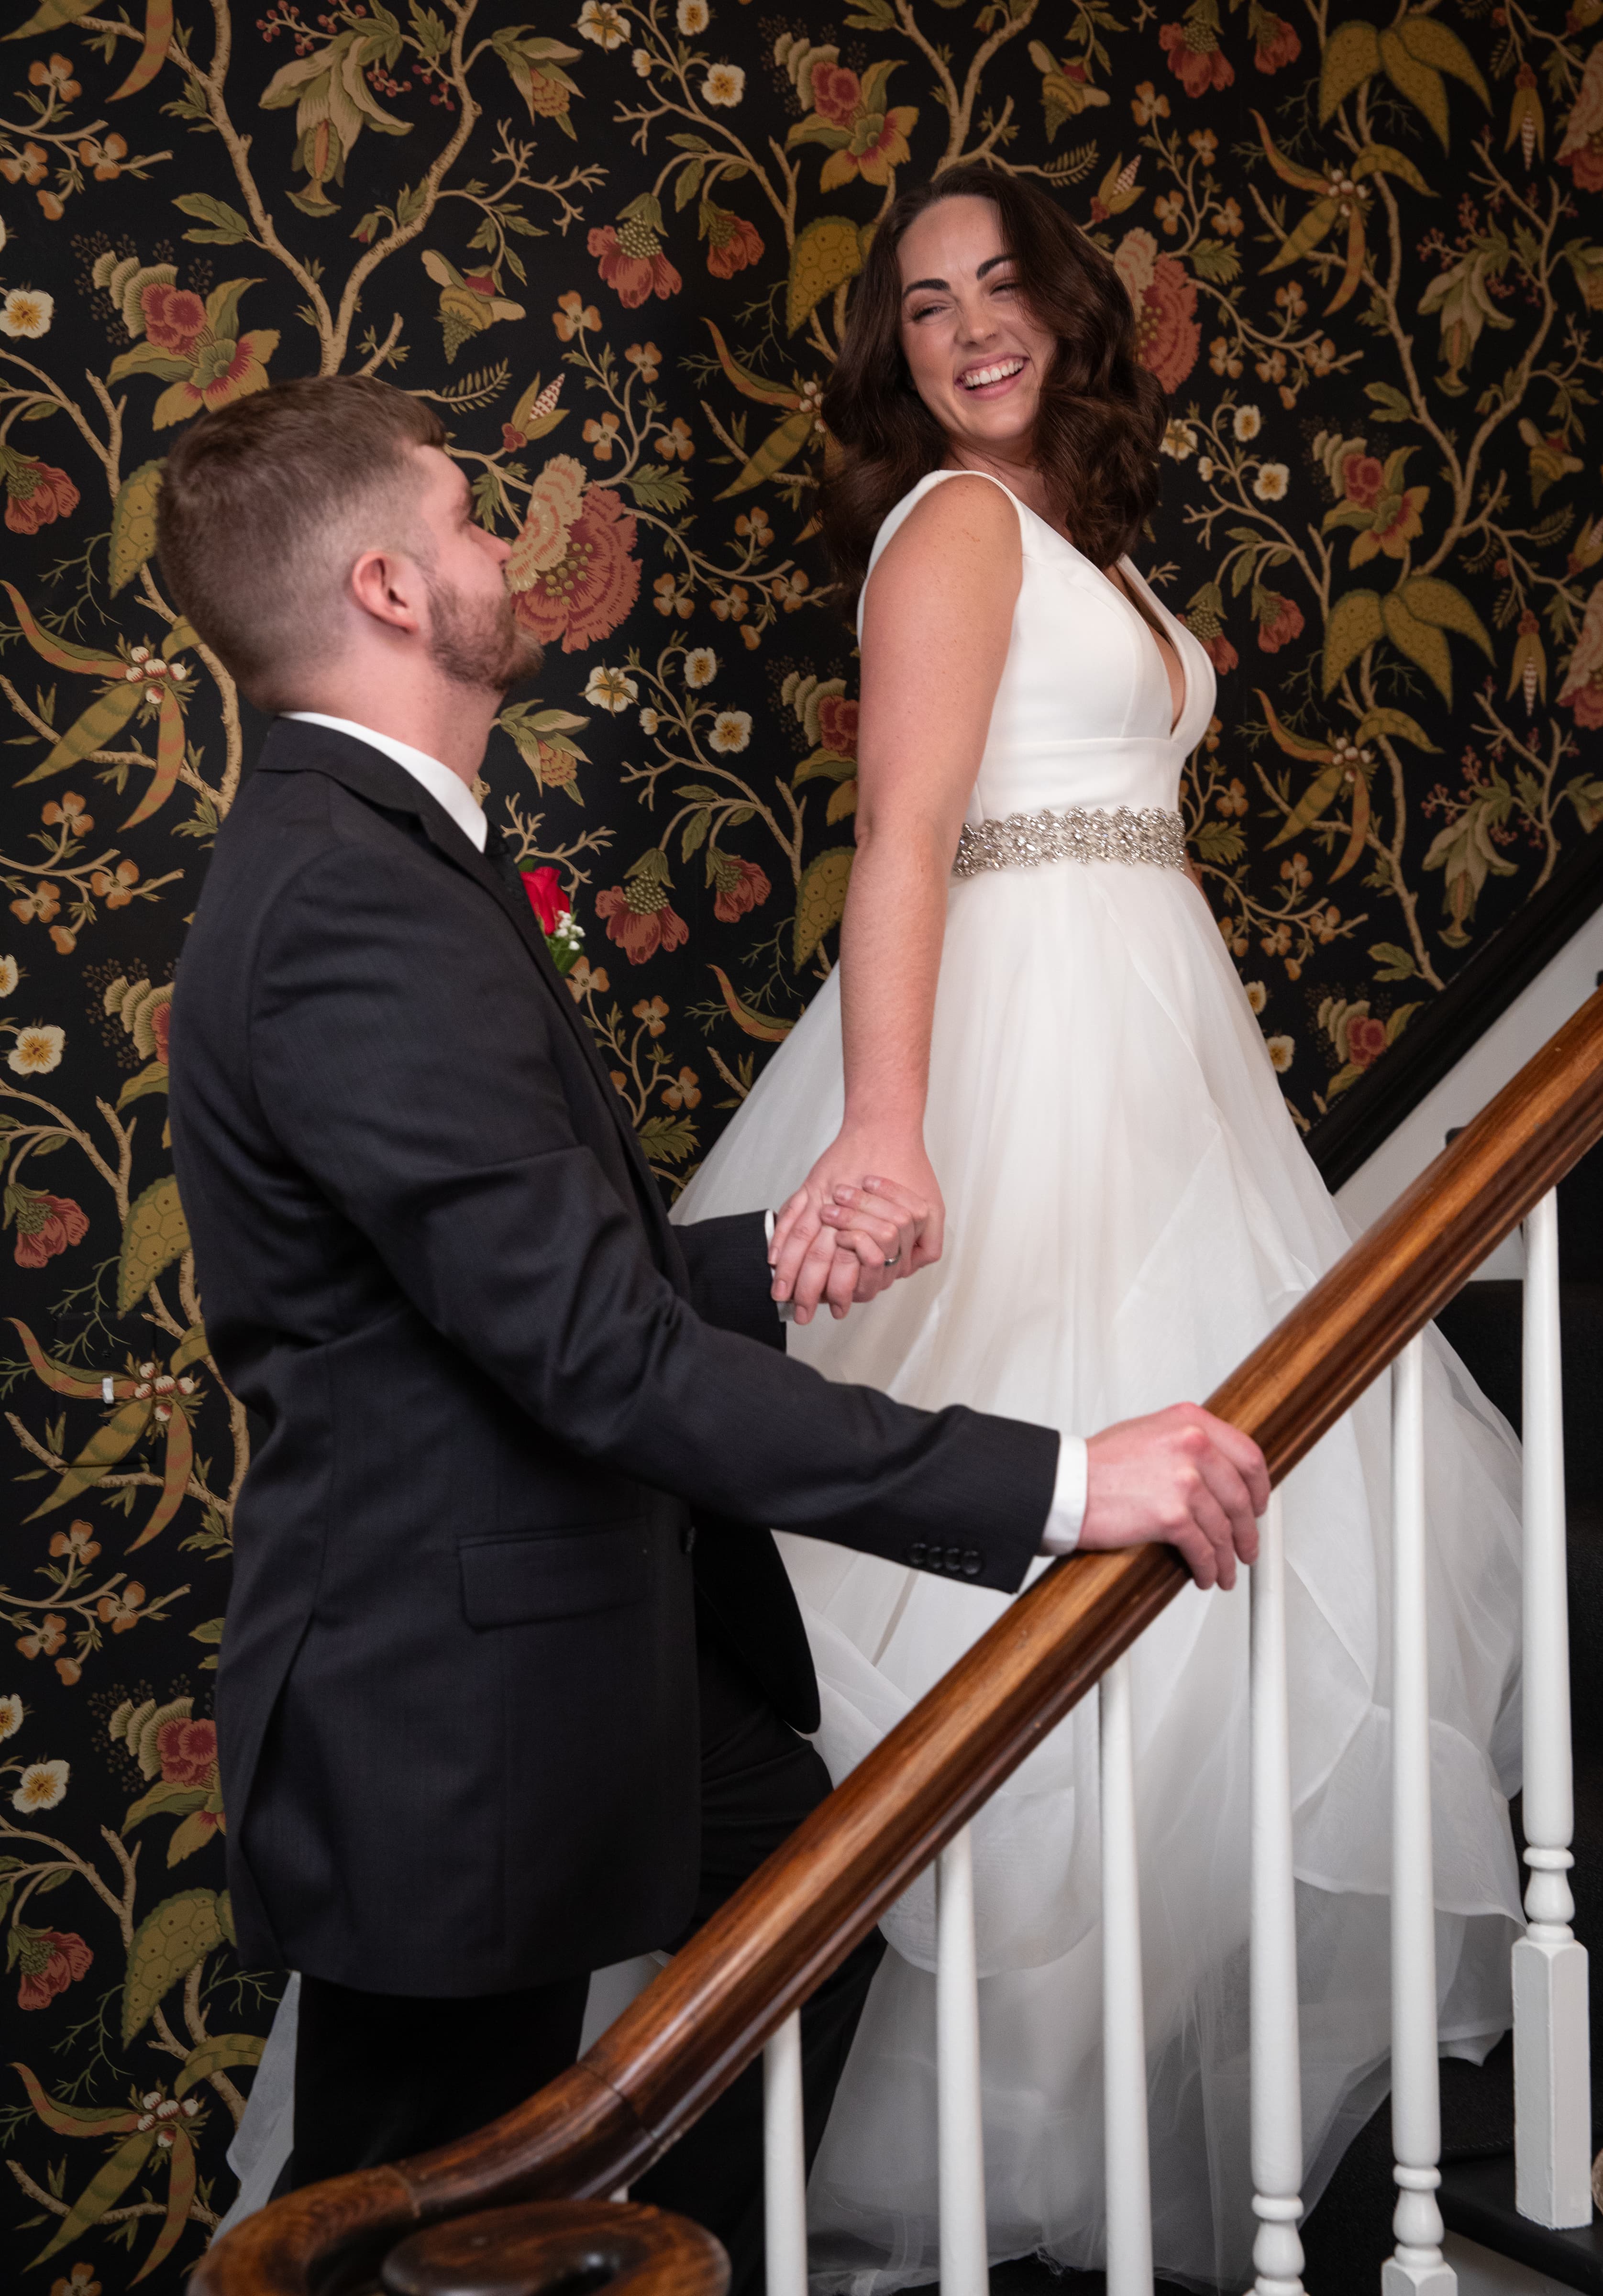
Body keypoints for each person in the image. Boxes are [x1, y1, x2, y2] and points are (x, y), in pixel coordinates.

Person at [158, 374, 1268, 2286]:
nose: (508, 548)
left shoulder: (383, 859)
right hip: (455, 1713)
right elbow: (596, 1365)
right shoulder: (354, 901)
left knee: (803, 1894)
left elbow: (526, 1292)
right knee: (384, 2218)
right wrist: (1070, 1481)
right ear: (391, 591)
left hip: (555, 1661)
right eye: (469, 518)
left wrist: (773, 1263)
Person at [672, 168, 1526, 2292]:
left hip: (1166, 1080)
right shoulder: (953, 532)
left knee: (1255, 1581)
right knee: (1020, 1594)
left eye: (999, 285)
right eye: (924, 301)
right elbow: (899, 840)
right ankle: (958, 2183)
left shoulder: (1082, 547)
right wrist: (883, 1130)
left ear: (1069, 306)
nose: (966, 326)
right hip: (1013, 1065)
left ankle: (1084, 2171)